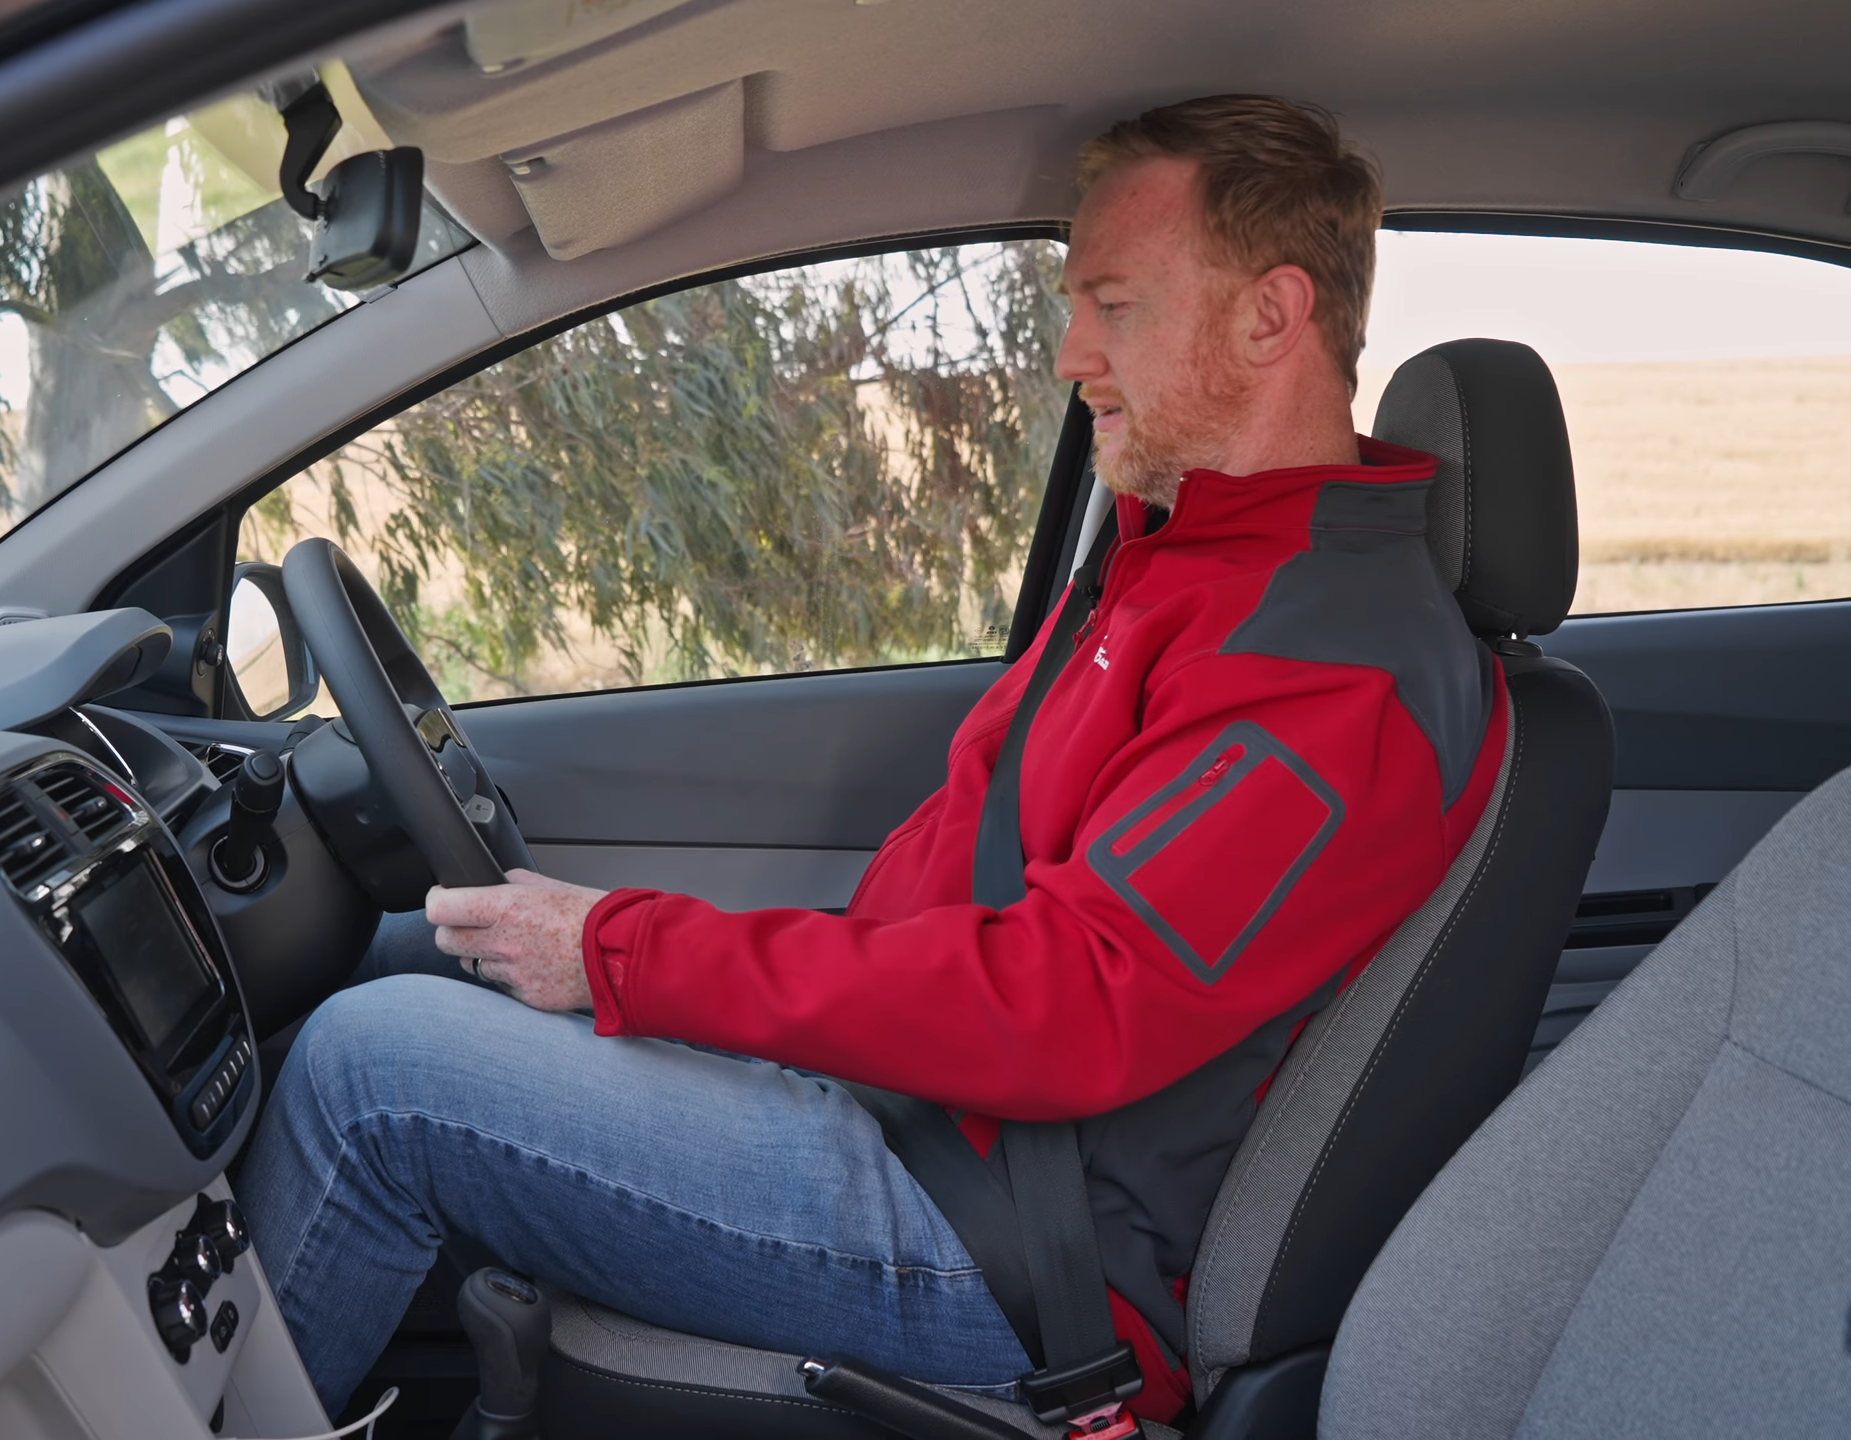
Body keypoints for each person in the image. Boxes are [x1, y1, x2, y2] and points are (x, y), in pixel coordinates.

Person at [237, 95, 1504, 1426]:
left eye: (1116, 306)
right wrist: (653, 966)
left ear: (1270, 317)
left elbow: (1067, 1004)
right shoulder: (1181, 556)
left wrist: (626, 951)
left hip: (1003, 1238)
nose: (1072, 353)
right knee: (409, 948)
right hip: (920, 1117)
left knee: (370, 1074)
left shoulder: (1331, 673)